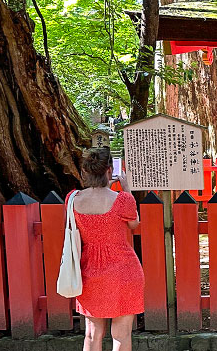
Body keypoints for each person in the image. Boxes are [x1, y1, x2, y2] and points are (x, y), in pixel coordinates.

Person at [66, 148, 143, 351]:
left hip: (89, 271)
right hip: (124, 271)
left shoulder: (73, 199)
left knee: (92, 334)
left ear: (84, 172)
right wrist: (126, 189)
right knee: (121, 334)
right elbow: (134, 224)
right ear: (110, 170)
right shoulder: (122, 200)